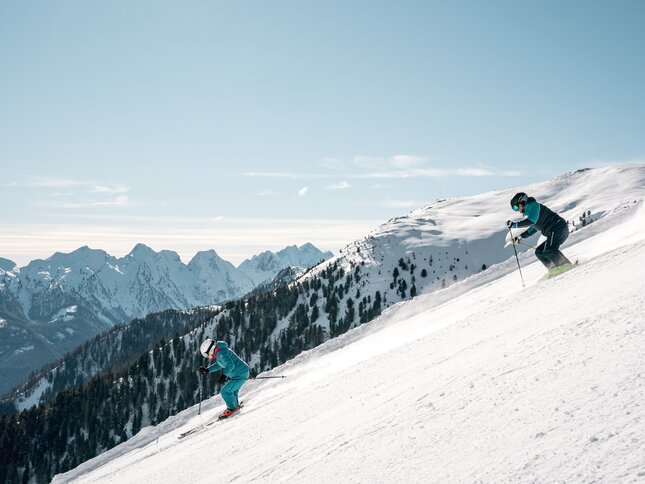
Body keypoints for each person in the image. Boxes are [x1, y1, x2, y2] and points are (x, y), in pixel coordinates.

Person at [507, 192, 572, 273]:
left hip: (558, 227)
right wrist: (519, 238)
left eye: (516, 207)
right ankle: (553, 269)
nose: (517, 210)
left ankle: (565, 265)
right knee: (539, 252)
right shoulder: (531, 212)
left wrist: (514, 224)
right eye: (514, 209)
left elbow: (532, 221)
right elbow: (533, 229)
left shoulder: (533, 205)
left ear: (522, 202)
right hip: (554, 230)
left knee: (549, 250)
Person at [199, 338, 250, 418]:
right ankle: (235, 406)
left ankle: (232, 408)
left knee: (225, 391)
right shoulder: (220, 352)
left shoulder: (221, 353)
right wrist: (208, 370)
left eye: (207, 354)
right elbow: (219, 364)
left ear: (211, 349)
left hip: (240, 374)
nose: (208, 357)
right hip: (240, 373)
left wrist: (224, 375)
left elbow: (230, 365)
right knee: (232, 391)